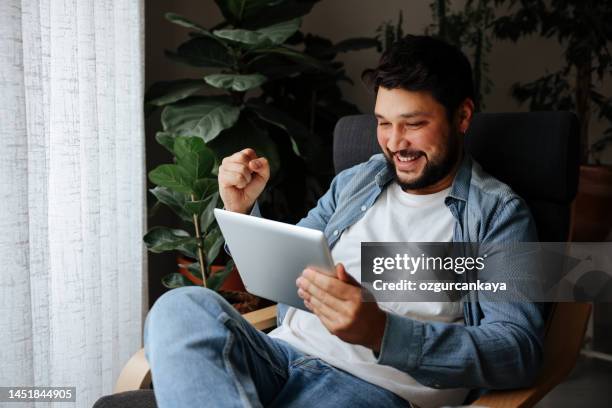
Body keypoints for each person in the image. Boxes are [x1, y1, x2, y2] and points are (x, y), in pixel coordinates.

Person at [144, 35, 545, 408]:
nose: (395, 142)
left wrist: (382, 332)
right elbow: (289, 267)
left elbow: (518, 349)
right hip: (280, 356)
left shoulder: (498, 215)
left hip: (368, 389)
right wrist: (242, 211)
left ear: (462, 116)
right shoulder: (359, 180)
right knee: (180, 307)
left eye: (415, 124)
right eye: (384, 123)